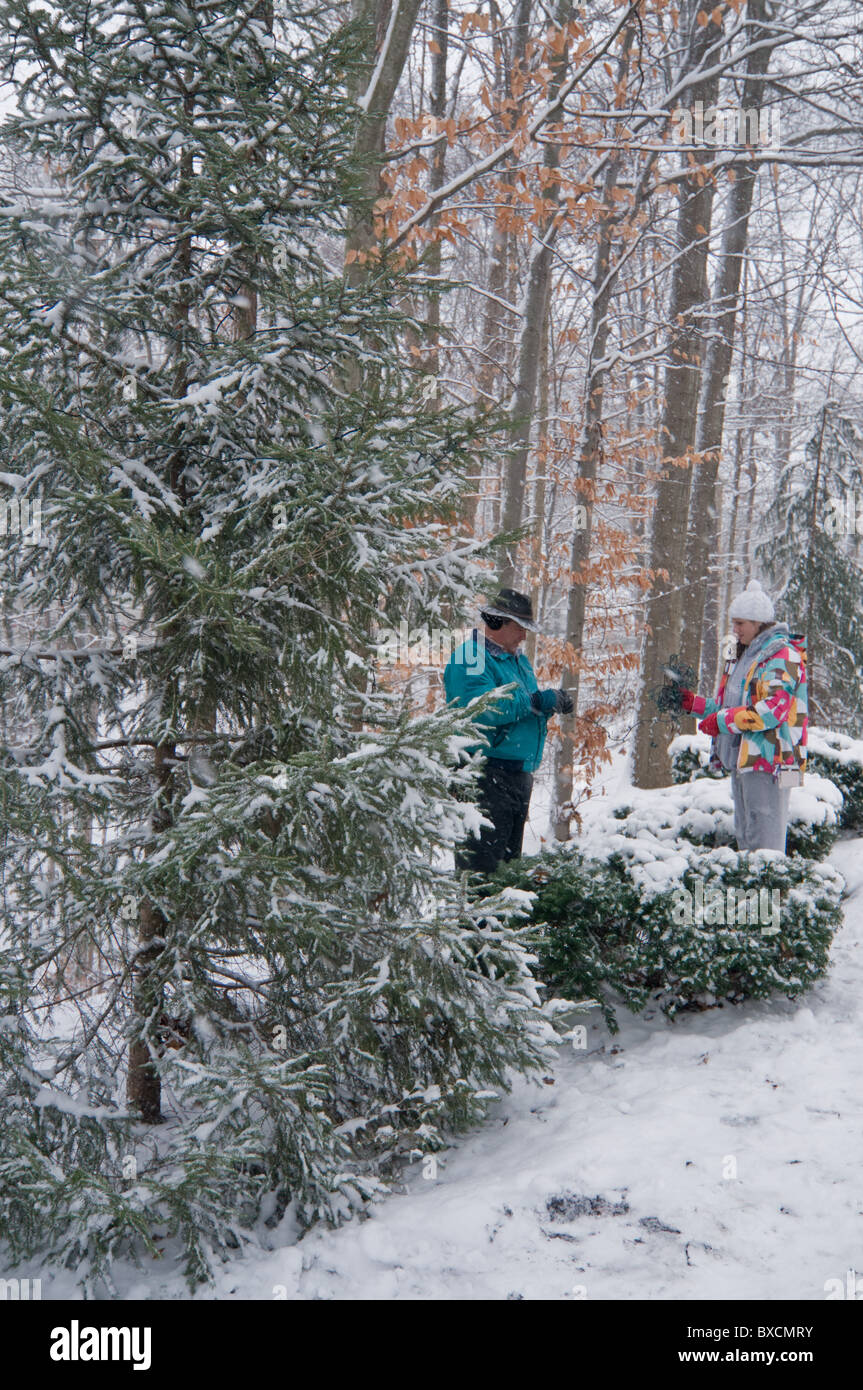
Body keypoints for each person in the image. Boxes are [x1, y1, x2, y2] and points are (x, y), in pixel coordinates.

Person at [443, 588, 573, 876]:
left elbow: (520, 706)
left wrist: (548, 704)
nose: (525, 636)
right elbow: (480, 708)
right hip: (484, 776)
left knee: (507, 874)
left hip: (514, 775)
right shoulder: (471, 657)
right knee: (482, 875)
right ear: (497, 622)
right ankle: (474, 923)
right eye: (520, 628)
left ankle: (497, 921)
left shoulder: (517, 660)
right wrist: (536, 701)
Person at [678, 581, 808, 853]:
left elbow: (772, 710)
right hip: (745, 758)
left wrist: (722, 722)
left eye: (740, 624)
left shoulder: (783, 655)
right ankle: (752, 894)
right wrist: (695, 705)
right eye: (733, 623)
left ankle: (773, 893)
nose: (734, 630)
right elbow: (732, 707)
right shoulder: (744, 655)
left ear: (759, 623)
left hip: (774, 760)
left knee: (765, 844)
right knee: (747, 838)